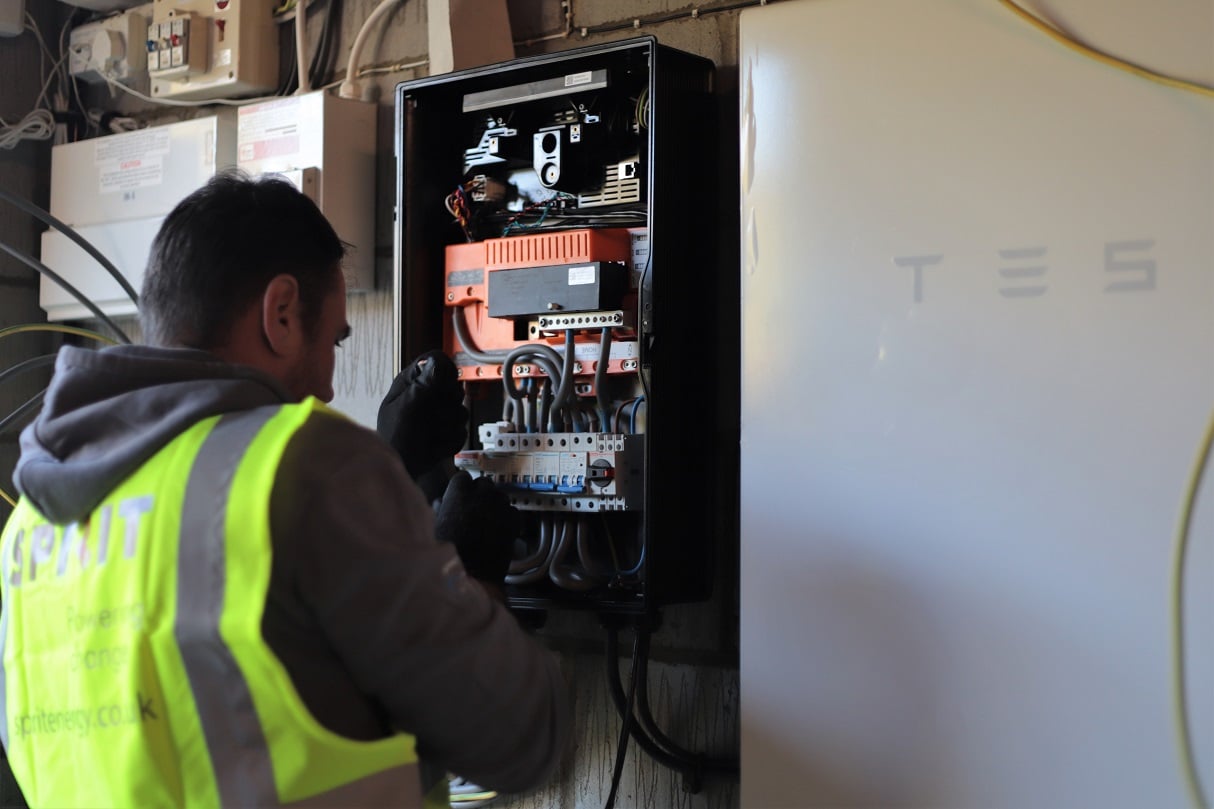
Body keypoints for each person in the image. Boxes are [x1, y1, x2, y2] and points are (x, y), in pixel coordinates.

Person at [0, 171, 569, 807]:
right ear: (281, 312)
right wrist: (470, 579)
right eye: (333, 340)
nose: (328, 387)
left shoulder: (32, 526)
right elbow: (519, 735)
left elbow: (244, 708)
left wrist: (388, 486)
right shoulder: (307, 467)